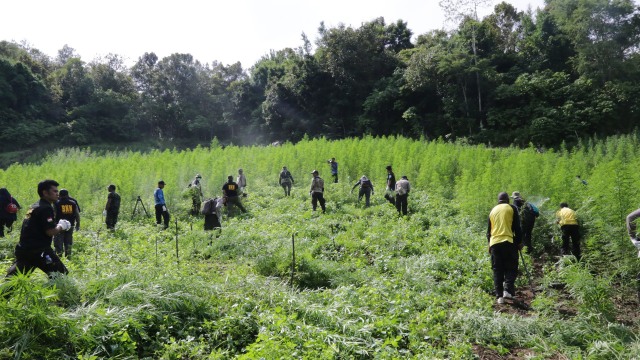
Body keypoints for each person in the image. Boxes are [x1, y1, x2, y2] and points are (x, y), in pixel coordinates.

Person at [6, 180, 71, 279]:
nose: (57, 194)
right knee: (62, 276)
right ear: (45, 192)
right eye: (54, 191)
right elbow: (50, 232)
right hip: (39, 250)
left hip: (25, 249)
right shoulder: (45, 208)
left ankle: (4, 294)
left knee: (13, 282)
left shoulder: (35, 206)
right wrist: (62, 226)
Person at [486, 192, 522, 304]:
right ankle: (507, 290)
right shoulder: (512, 208)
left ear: (498, 201)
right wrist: (519, 242)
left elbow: (488, 232)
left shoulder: (493, 211)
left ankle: (499, 297)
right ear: (508, 200)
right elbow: (517, 227)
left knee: (497, 270)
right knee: (512, 267)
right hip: (508, 241)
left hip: (495, 243)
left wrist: (489, 244)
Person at [53, 189, 80, 258]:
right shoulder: (73, 203)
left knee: (58, 243)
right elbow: (77, 214)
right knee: (68, 243)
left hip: (59, 226)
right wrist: (78, 224)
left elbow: (54, 214)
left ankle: (59, 257)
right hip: (70, 226)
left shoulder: (57, 203)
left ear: (60, 195)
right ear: (67, 195)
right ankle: (68, 258)